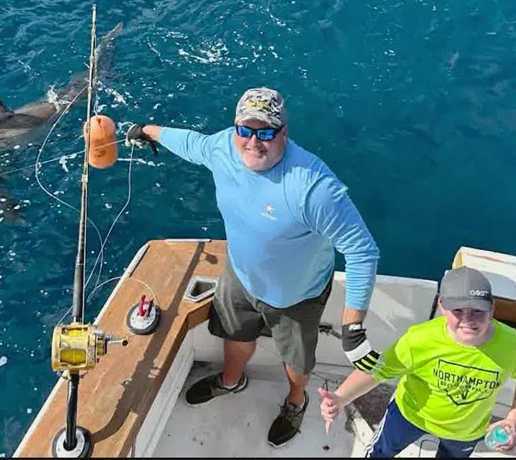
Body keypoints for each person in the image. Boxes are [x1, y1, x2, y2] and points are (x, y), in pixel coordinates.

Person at [125, 86, 381, 448]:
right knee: (235, 336)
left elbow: (362, 250)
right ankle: (231, 380)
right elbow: (190, 143)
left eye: (266, 132)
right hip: (240, 277)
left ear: (284, 133)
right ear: (235, 131)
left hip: (296, 294)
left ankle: (296, 400)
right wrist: (147, 130)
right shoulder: (223, 148)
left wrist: (353, 325)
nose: (254, 141)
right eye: (246, 130)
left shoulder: (314, 187)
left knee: (296, 362)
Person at [319, 266, 516, 458]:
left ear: (492, 308)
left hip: (467, 430)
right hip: (409, 415)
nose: (468, 320)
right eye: (458, 311)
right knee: (380, 452)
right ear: (441, 305)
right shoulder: (419, 339)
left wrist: (514, 419)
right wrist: (340, 398)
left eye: (477, 311)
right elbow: (379, 370)